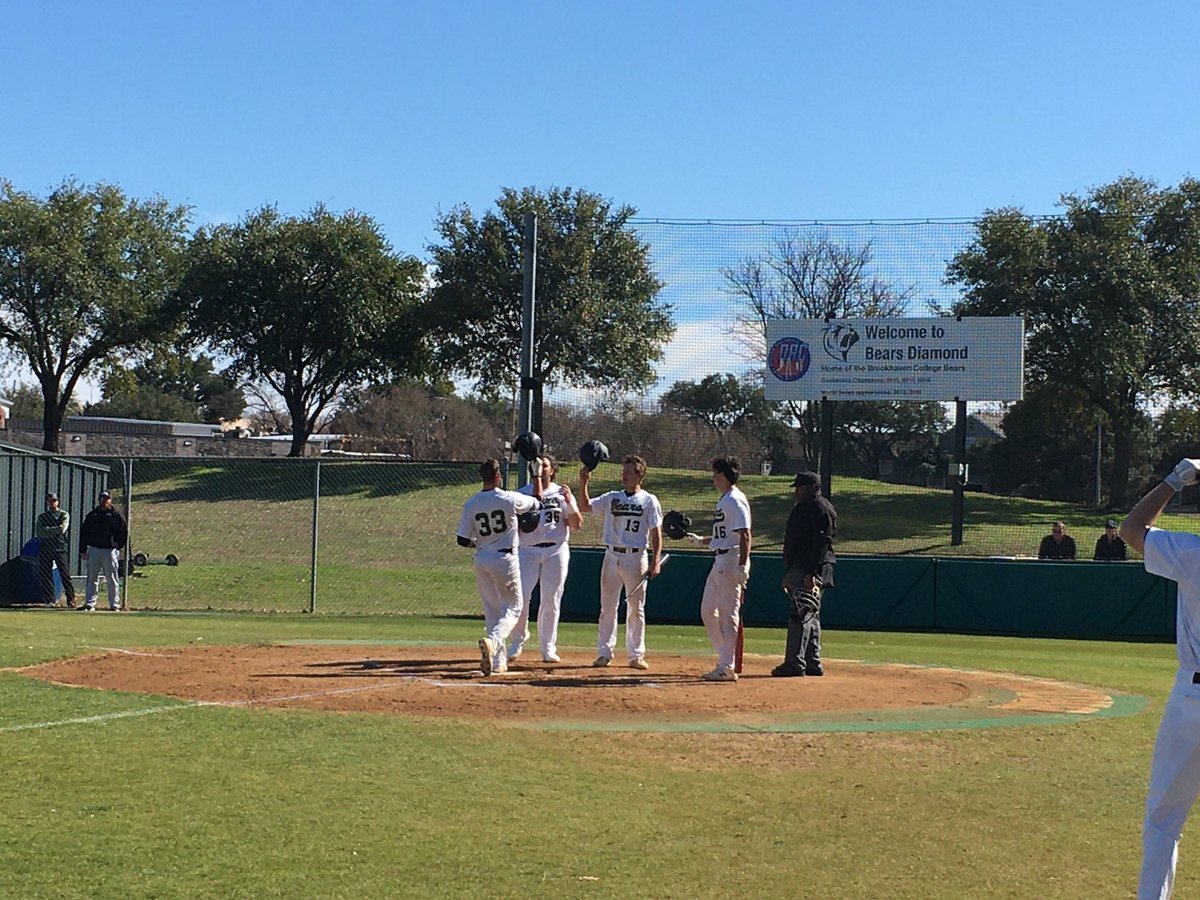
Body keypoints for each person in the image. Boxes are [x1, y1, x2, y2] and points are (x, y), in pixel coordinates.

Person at [1119, 457, 1200, 898]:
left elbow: (1132, 530)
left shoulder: (1192, 554)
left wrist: (1174, 480)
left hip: (1194, 700)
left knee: (1163, 820)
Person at [456, 458, 542, 676]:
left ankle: (498, 663)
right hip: (505, 559)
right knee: (514, 608)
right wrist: (537, 475)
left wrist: (480, 543)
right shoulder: (508, 498)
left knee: (493, 611)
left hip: (482, 558)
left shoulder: (471, 503)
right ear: (497, 476)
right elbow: (538, 502)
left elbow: (462, 539)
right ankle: (493, 642)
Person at [578, 454, 663, 670]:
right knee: (607, 607)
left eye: (629, 472)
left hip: (636, 556)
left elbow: (656, 532)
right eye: (623, 471)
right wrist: (584, 482)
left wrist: (655, 561)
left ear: (639, 474)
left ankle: (636, 655)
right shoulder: (611, 497)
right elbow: (585, 507)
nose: (624, 475)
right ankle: (604, 653)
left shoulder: (648, 500)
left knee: (636, 609)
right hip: (612, 555)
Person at [509, 454, 583, 664]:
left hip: (555, 550)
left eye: (546, 466)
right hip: (527, 550)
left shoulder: (561, 493)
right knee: (520, 597)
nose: (541, 469)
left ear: (553, 470)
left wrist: (570, 503)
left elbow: (577, 524)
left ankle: (548, 647)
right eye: (538, 465)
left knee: (551, 600)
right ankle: (518, 640)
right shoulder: (522, 493)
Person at [685, 456, 752, 683]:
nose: (713, 478)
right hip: (720, 560)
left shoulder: (735, 500)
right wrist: (700, 540)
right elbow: (723, 535)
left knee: (727, 614)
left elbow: (745, 535)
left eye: (715, 474)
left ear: (722, 476)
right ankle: (725, 656)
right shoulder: (725, 500)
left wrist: (743, 565)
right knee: (707, 610)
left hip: (732, 560)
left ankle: (726, 666)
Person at [773, 471, 836, 677]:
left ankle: (795, 663)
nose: (796, 491)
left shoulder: (820, 508)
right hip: (799, 568)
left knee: (800, 614)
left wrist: (810, 573)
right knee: (810, 615)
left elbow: (821, 543)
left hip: (810, 569)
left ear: (811, 487)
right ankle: (812, 661)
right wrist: (789, 571)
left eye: (800, 487)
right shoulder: (806, 507)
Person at [78, 490, 127, 612]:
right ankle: (90, 603)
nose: (105, 501)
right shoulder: (92, 515)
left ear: (110, 500)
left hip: (109, 551)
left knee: (112, 578)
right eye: (103, 498)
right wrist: (83, 549)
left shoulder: (116, 516)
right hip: (94, 549)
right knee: (92, 578)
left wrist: (117, 546)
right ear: (99, 500)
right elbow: (84, 533)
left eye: (107, 499)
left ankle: (114, 605)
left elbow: (123, 533)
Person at [35, 492, 76, 608]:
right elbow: (39, 532)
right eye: (50, 501)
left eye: (54, 501)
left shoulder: (64, 514)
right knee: (46, 575)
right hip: (46, 548)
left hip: (60, 548)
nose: (52, 503)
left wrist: (48, 530)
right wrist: (54, 530)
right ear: (47, 502)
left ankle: (71, 599)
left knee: (65, 574)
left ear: (58, 501)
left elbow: (62, 529)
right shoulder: (42, 517)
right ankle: (50, 600)